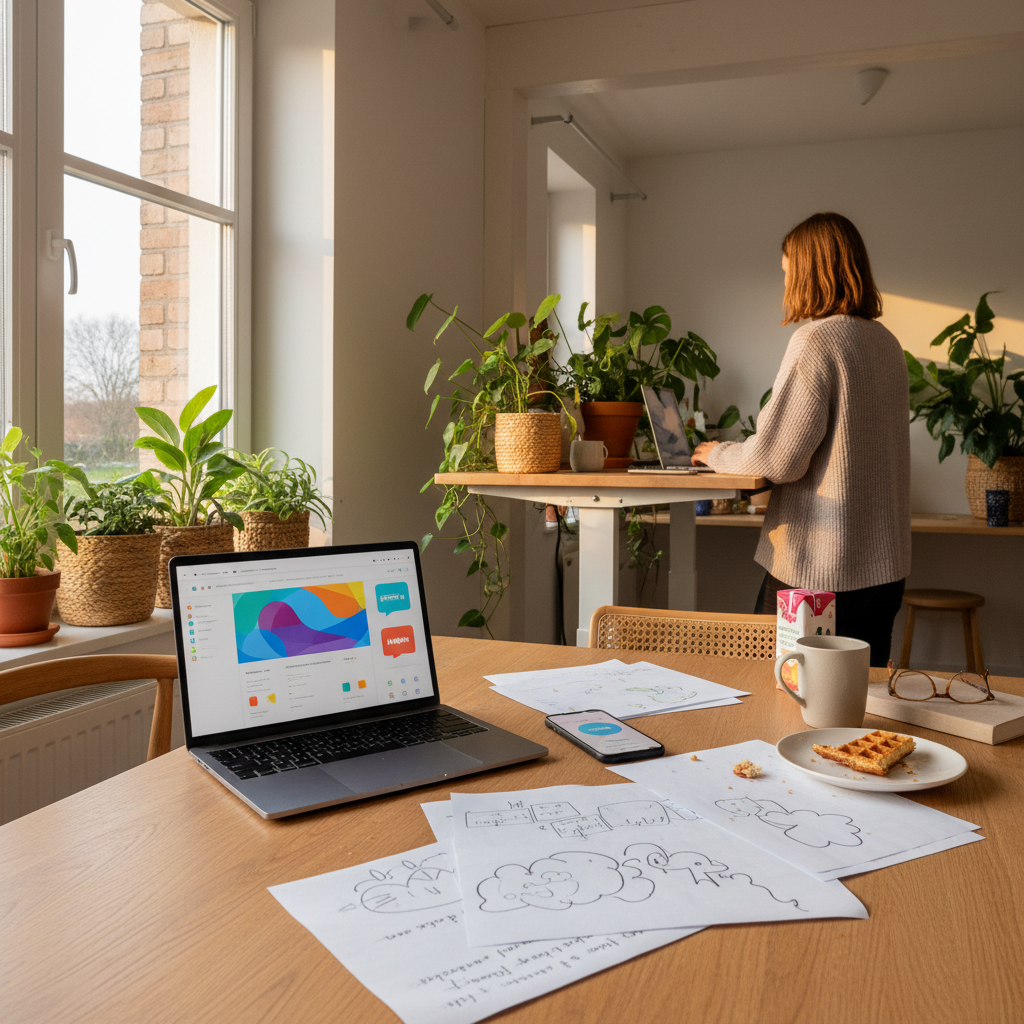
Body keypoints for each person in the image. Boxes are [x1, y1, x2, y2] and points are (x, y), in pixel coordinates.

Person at [692, 212, 910, 666]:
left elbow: (778, 458)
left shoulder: (817, 340)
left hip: (820, 571)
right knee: (856, 708)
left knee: (781, 698)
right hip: (883, 570)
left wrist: (718, 452)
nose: (785, 278)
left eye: (788, 267)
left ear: (810, 269)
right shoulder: (886, 344)